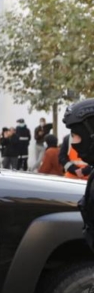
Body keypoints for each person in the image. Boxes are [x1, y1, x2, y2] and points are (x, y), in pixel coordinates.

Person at [62, 99, 94, 251]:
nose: (73, 141)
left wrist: (85, 171)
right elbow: (62, 158)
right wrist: (74, 169)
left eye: (76, 134)